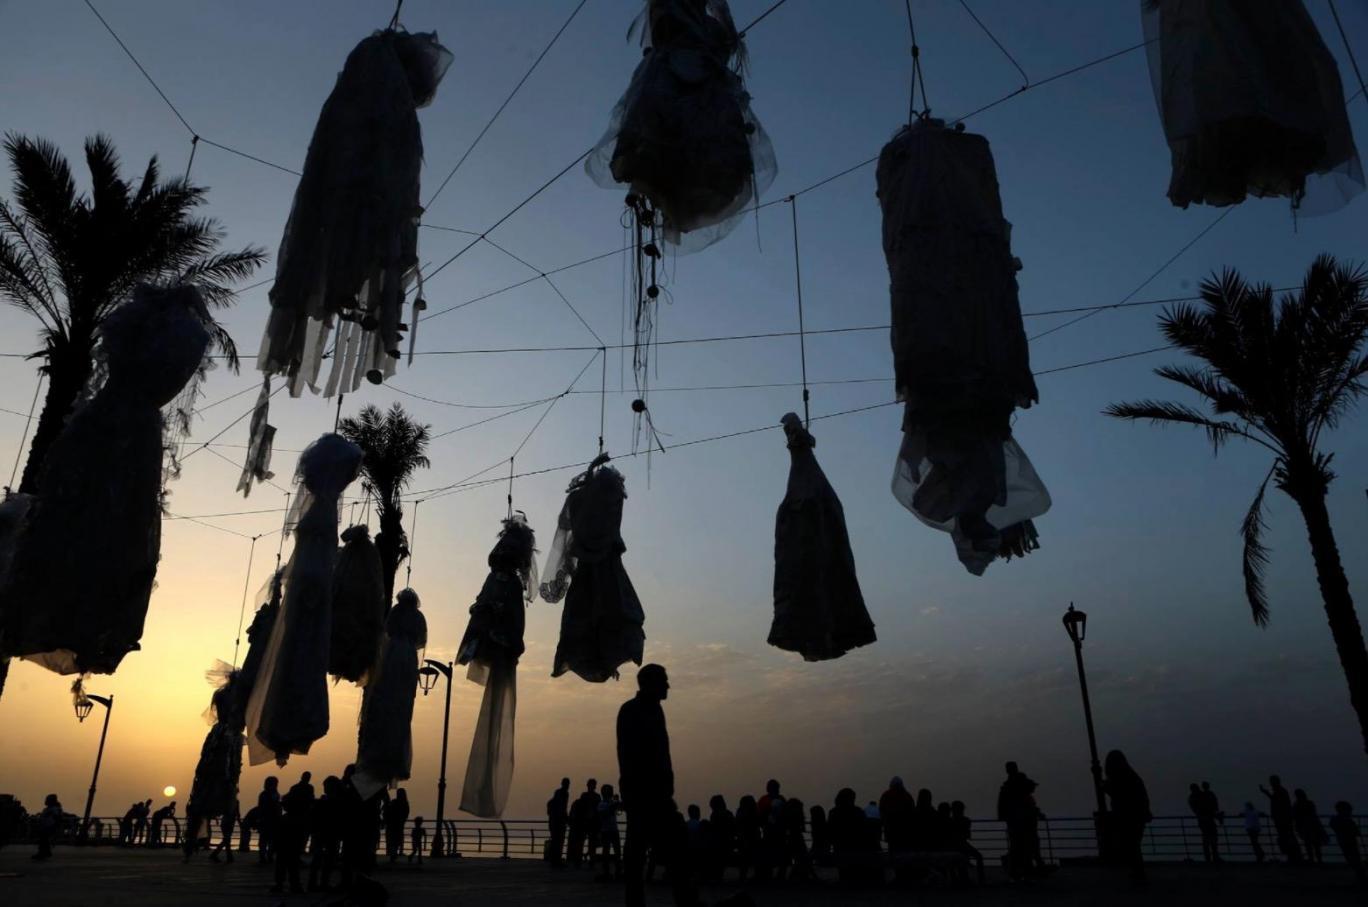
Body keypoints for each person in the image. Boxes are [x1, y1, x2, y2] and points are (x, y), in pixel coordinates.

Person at [617, 664, 695, 907]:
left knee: (666, 856)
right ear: (651, 684)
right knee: (648, 858)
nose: (668, 686)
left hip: (655, 796)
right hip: (646, 797)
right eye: (664, 681)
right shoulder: (632, 711)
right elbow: (629, 757)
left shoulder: (653, 711)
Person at [1103, 750, 1151, 882]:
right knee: (1133, 844)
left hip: (1127, 816)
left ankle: (1138, 872)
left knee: (1131, 845)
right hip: (1136, 816)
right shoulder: (1132, 776)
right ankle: (1137, 871)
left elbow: (1117, 792)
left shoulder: (1123, 777)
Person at [271, 773, 313, 894]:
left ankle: (282, 884)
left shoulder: (285, 818)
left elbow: (278, 834)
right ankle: (294, 885)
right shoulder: (299, 818)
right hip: (292, 843)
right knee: (291, 865)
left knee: (283, 865)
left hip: (285, 845)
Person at [997, 762, 1039, 880]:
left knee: (1018, 845)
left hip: (1016, 820)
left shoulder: (1007, 787)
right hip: (1023, 820)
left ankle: (1019, 870)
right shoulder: (1018, 788)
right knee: (1027, 844)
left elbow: (1003, 805)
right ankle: (1026, 868)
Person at [828, 787, 872, 885]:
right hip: (856, 849)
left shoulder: (833, 812)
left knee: (844, 869)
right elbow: (865, 832)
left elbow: (830, 833)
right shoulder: (859, 812)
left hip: (839, 848)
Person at [308, 777, 343, 891]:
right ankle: (318, 883)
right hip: (325, 834)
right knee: (324, 860)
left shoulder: (326, 802)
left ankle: (318, 883)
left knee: (325, 860)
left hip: (327, 833)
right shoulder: (332, 802)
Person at [1259, 775, 1301, 864]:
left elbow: (1278, 803)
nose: (1270, 783)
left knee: (1286, 838)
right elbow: (1276, 800)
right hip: (1282, 819)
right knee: (1287, 838)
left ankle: (1293, 857)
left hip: (1282, 820)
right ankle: (1293, 857)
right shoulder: (1281, 791)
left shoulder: (1280, 791)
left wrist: (1266, 793)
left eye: (1271, 781)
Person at [879, 777, 915, 860]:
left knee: (893, 853)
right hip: (905, 832)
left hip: (891, 832)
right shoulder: (907, 796)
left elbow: (882, 813)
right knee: (904, 855)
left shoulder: (885, 796)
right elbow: (912, 813)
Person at [950, 801, 985, 884]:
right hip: (963, 844)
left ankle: (958, 879)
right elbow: (967, 836)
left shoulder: (950, 821)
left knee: (957, 860)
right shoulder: (966, 821)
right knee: (978, 856)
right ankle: (981, 879)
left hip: (953, 845)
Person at [1328, 801, 1364, 883]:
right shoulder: (1348, 821)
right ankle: (1360, 875)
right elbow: (1357, 832)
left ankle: (1359, 874)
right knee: (1355, 857)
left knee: (1349, 857)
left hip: (1342, 841)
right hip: (1350, 841)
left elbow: (1333, 826)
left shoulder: (1334, 820)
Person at [568, 779, 600, 868]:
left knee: (583, 843)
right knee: (589, 844)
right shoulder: (596, 797)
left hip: (586, 823)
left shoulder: (585, 796)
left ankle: (580, 861)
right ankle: (589, 861)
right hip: (589, 824)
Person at [1292, 789, 1328, 864]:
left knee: (1309, 845)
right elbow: (1314, 815)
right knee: (1316, 845)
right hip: (1313, 826)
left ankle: (1312, 860)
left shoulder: (1296, 805)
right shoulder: (1309, 803)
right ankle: (1319, 860)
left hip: (1305, 827)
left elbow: (1294, 816)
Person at [596, 783, 623, 881]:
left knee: (617, 852)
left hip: (613, 830)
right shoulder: (601, 804)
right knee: (606, 852)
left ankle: (617, 871)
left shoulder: (610, 803)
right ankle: (607, 872)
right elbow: (608, 812)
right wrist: (615, 802)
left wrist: (617, 802)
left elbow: (620, 808)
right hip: (606, 831)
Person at [1188, 782, 1220, 862]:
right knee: (1212, 838)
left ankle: (1208, 858)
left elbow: (1196, 810)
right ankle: (1214, 857)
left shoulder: (1192, 798)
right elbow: (1211, 805)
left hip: (1202, 820)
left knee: (1207, 839)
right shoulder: (1202, 795)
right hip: (1208, 819)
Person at [735, 795, 761, 882]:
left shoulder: (741, 813)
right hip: (752, 838)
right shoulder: (755, 812)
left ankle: (743, 876)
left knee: (744, 859)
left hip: (745, 839)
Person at [256, 777, 281, 864]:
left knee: (266, 841)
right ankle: (266, 856)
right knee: (268, 840)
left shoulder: (264, 794)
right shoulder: (272, 794)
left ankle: (265, 856)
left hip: (268, 821)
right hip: (269, 820)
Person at [547, 778, 570, 868]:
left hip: (556, 822)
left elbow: (563, 808)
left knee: (556, 841)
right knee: (558, 841)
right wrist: (566, 819)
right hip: (558, 822)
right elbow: (563, 809)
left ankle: (555, 860)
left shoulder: (560, 794)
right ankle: (556, 860)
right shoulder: (563, 794)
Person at [32, 794, 62, 861]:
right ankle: (46, 852)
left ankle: (42, 853)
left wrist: (56, 827)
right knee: (43, 839)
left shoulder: (54, 809)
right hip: (45, 827)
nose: (45, 801)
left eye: (47, 799)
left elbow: (57, 817)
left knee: (43, 839)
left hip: (49, 827)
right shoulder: (48, 809)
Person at [384, 788, 409, 862]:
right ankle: (394, 854)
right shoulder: (405, 803)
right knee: (396, 841)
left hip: (392, 825)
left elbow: (388, 811)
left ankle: (393, 854)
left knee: (392, 840)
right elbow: (406, 814)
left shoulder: (394, 802)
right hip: (398, 825)